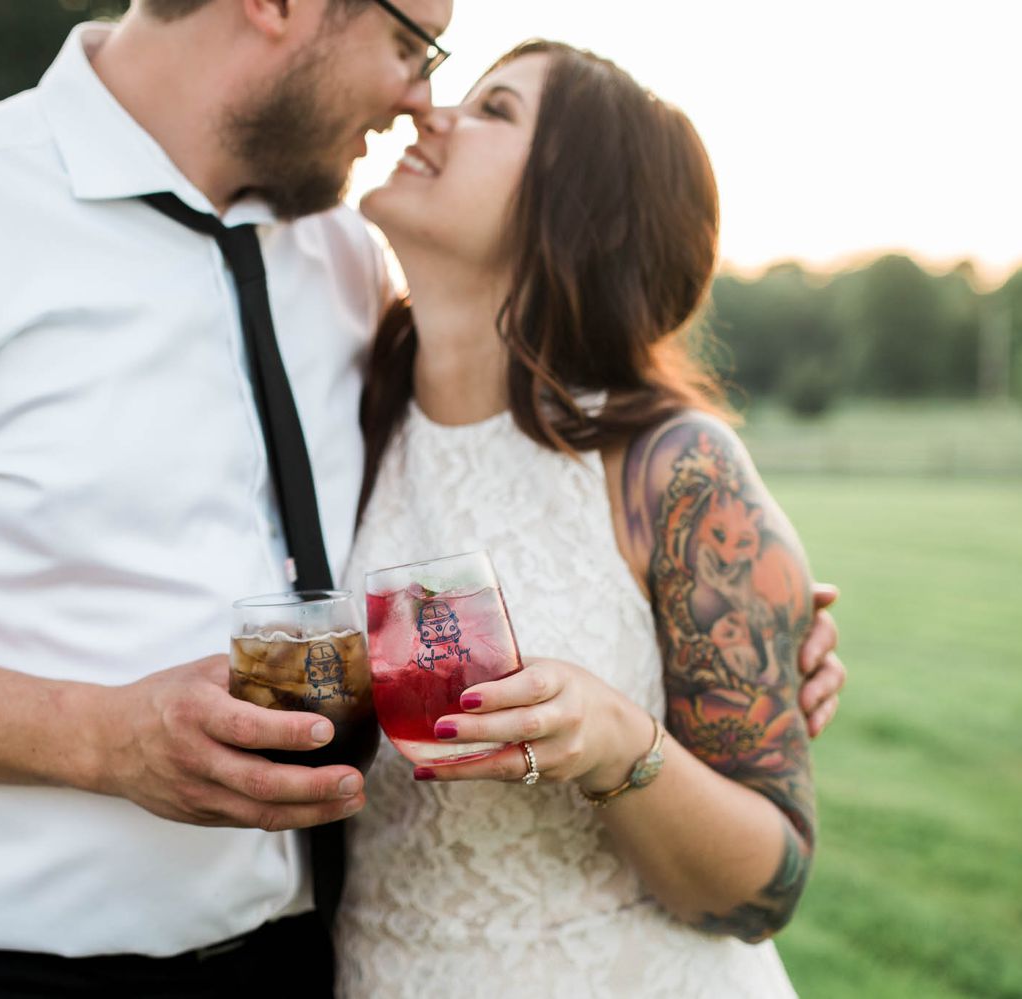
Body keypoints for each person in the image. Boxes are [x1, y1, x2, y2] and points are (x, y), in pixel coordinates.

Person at [0, 2, 843, 995]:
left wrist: (720, 633)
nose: (417, 97)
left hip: (311, 962)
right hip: (9, 974)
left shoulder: (347, 264)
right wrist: (98, 735)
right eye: (415, 43)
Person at [334, 40, 829, 997]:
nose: (429, 113)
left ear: (580, 211)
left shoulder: (670, 468)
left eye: (495, 111)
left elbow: (767, 887)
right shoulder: (346, 422)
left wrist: (617, 742)